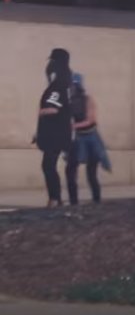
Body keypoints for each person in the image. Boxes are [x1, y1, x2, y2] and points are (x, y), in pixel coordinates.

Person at [66, 72, 111, 205]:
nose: (72, 88)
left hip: (90, 138)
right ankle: (73, 202)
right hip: (77, 138)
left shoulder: (87, 100)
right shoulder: (68, 101)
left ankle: (96, 201)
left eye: (74, 85)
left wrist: (73, 126)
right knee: (70, 171)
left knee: (91, 174)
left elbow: (91, 120)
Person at [35, 48, 73, 207]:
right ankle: (55, 198)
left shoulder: (58, 86)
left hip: (55, 134)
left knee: (48, 165)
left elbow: (54, 108)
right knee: (49, 165)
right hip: (57, 132)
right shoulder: (65, 84)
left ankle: (55, 198)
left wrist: (41, 112)